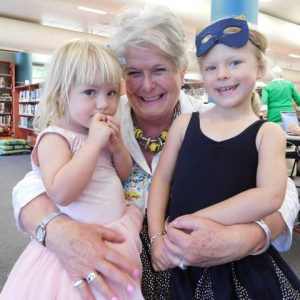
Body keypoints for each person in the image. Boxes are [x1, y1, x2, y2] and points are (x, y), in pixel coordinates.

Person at [10, 6, 299, 300]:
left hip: (191, 266)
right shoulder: (97, 121)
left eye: (160, 70)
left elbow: (282, 191)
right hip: (114, 259)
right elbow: (33, 183)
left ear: (182, 70)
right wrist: (55, 229)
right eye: (134, 73)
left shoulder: (210, 119)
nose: (147, 85)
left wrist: (252, 235)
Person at [147, 17, 300, 299]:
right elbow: (162, 179)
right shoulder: (184, 124)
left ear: (261, 67)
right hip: (175, 255)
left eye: (235, 63)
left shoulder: (268, 134)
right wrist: (157, 238)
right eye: (211, 67)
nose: (222, 74)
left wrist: (187, 223)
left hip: (237, 265)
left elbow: (269, 196)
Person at [1, 39, 144, 300]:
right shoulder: (55, 138)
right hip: (67, 255)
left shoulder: (99, 134)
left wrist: (118, 149)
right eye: (90, 92)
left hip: (111, 237)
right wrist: (93, 145)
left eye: (112, 93)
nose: (104, 104)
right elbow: (61, 192)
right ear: (61, 94)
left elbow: (122, 176)